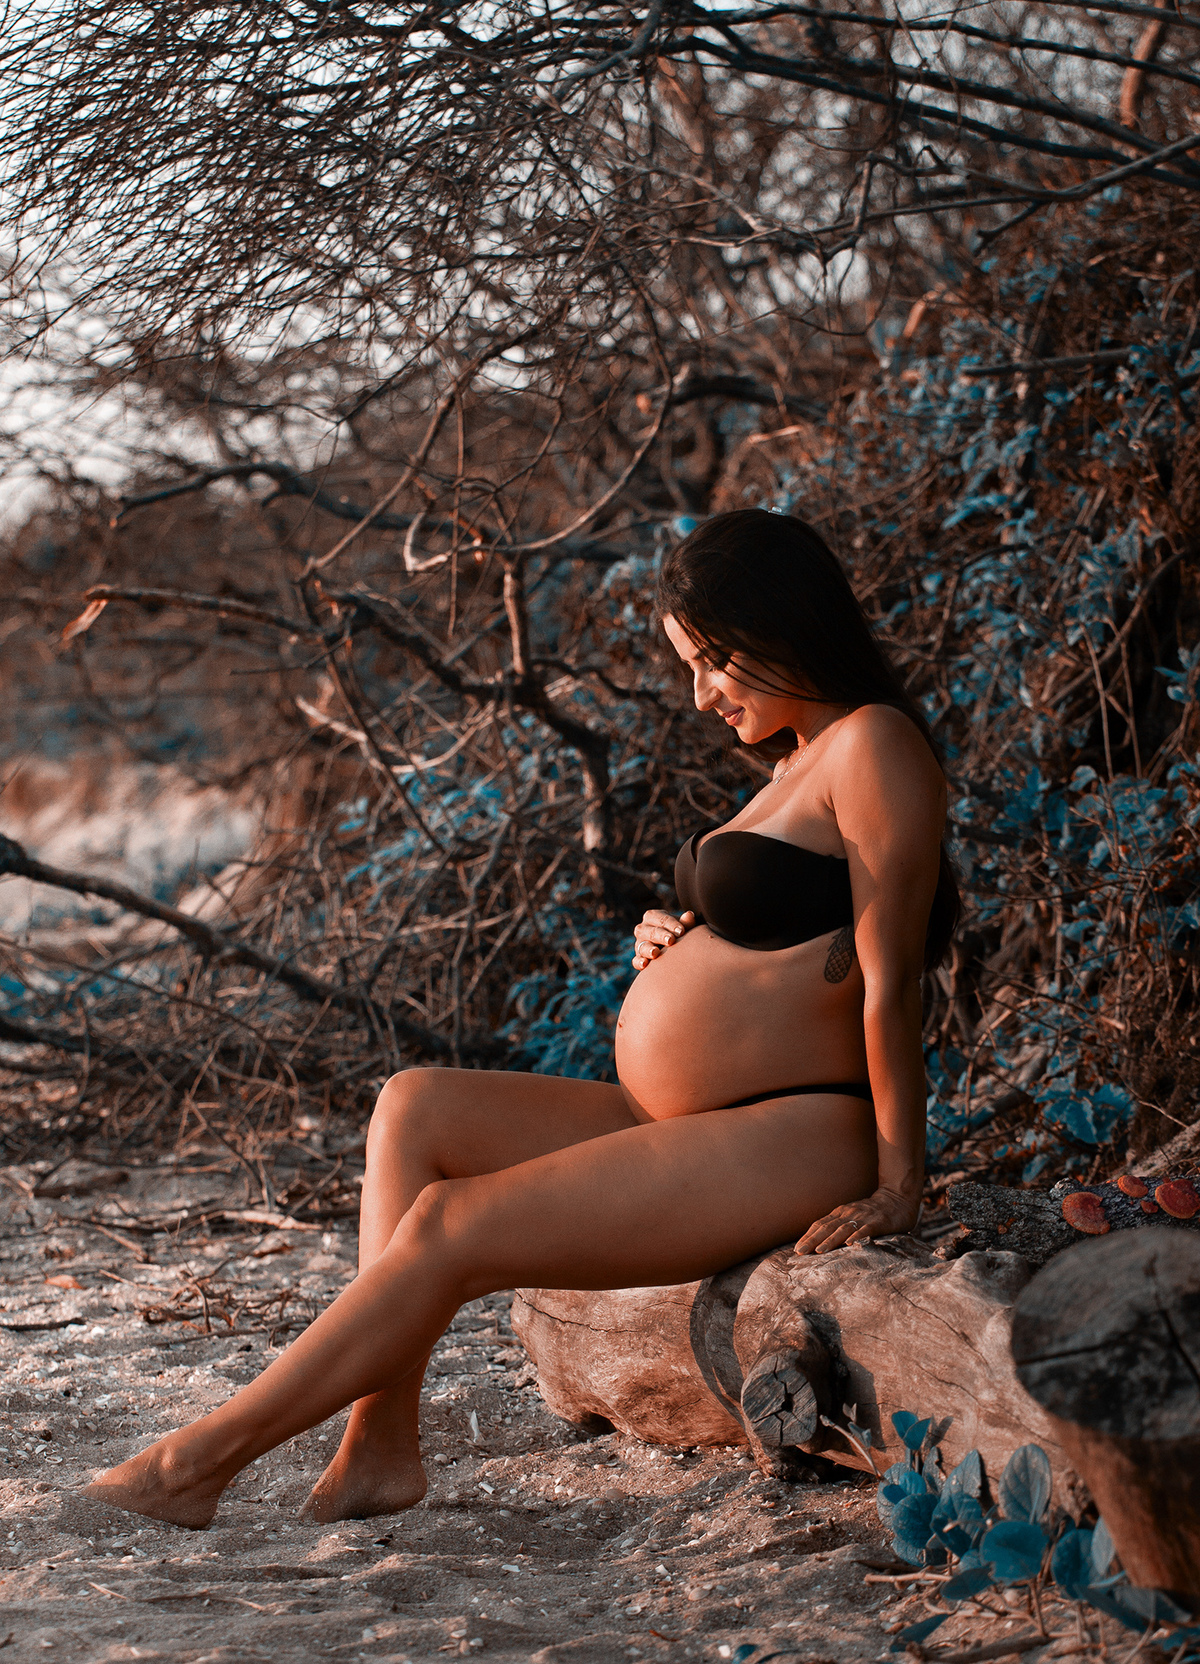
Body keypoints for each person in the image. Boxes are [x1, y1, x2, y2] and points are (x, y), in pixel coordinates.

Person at [83, 508, 958, 1531]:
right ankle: (380, 1445)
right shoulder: (790, 765)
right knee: (415, 1107)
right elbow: (797, 936)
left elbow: (891, 982)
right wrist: (689, 937)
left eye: (718, 660)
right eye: (690, 665)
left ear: (790, 622)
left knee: (455, 1227)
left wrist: (902, 1184)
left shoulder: (874, 746)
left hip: (803, 1129)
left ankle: (199, 1462)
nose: (702, 693)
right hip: (690, 1115)